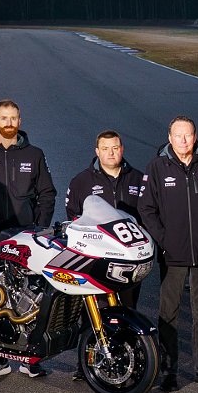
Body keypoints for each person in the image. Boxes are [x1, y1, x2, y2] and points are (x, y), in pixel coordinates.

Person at [139, 116, 198, 391]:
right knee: (168, 314)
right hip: (172, 255)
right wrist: (165, 240)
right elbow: (146, 208)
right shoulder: (157, 167)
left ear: (195, 136)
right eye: (178, 135)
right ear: (169, 138)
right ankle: (168, 370)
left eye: (188, 135)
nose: (183, 140)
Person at [0, 99, 57, 380]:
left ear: (20, 120)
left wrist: (39, 228)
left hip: (25, 238)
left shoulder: (35, 154)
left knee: (30, 297)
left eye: (14, 118)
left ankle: (31, 359)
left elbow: (47, 193)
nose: (9, 123)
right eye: (4, 118)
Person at [65, 129, 146, 308]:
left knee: (127, 309)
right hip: (97, 261)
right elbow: (73, 217)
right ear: (97, 151)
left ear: (122, 149)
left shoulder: (139, 179)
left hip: (128, 260)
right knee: (97, 311)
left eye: (115, 148)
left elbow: (147, 215)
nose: (111, 153)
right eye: (105, 148)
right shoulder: (81, 181)